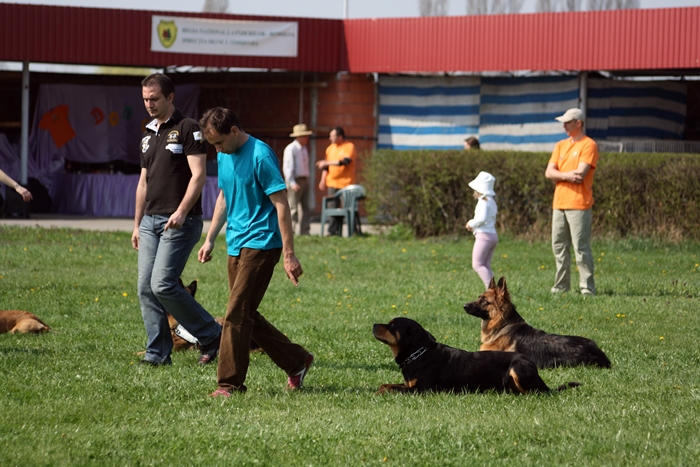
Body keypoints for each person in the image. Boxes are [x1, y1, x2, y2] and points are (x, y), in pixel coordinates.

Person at [197, 107, 314, 397]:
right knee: (246, 312)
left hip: (262, 244)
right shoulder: (225, 155)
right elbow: (224, 196)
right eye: (213, 145)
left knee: (235, 313)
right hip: (235, 243)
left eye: (219, 143)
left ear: (234, 131)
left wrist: (289, 253)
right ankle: (297, 360)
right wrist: (210, 237)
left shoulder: (261, 155)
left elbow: (282, 203)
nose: (217, 150)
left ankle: (229, 384)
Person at [131, 73, 222, 367]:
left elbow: (199, 176)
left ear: (170, 97)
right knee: (146, 287)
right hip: (150, 222)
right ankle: (157, 354)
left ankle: (212, 335)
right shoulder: (147, 134)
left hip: (181, 221)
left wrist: (182, 211)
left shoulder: (188, 128)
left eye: (154, 99)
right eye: (145, 99)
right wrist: (136, 224)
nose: (149, 104)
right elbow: (143, 183)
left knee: (163, 284)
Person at [545, 108, 599, 296]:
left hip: (579, 204)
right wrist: (567, 175)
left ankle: (587, 287)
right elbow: (548, 172)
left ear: (579, 123)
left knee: (580, 248)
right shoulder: (560, 145)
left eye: (568, 122)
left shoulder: (588, 145)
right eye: (564, 122)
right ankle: (561, 286)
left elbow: (581, 174)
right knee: (558, 246)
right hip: (559, 203)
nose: (564, 126)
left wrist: (559, 176)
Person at [316, 126, 357, 236]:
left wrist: (326, 163)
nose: (330, 138)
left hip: (346, 184)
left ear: (340, 137)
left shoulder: (349, 146)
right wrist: (322, 180)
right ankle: (332, 232)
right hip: (332, 183)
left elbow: (346, 161)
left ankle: (353, 232)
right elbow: (326, 167)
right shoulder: (330, 148)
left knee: (348, 209)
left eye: (332, 136)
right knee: (332, 208)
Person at [465, 171, 498, 289]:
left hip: (484, 236)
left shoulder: (483, 201)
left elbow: (481, 218)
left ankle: (492, 290)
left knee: (477, 264)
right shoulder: (491, 201)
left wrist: (470, 223)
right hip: (492, 235)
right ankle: (494, 289)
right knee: (486, 264)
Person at [282, 123, 313, 236]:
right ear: (298, 136)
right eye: (305, 136)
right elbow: (288, 167)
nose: (307, 138)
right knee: (293, 207)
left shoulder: (304, 149)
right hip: (295, 180)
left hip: (304, 180)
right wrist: (291, 182)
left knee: (306, 208)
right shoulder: (291, 148)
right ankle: (291, 231)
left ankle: (305, 231)